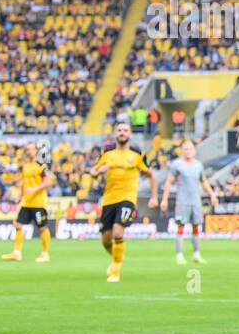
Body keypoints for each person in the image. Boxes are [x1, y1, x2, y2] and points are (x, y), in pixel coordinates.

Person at [91, 121, 159, 282]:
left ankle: (115, 271)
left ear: (130, 134)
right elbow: (93, 171)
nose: (122, 133)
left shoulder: (138, 154)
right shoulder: (107, 153)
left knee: (117, 231)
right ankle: (118, 257)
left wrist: (154, 196)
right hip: (108, 200)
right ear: (115, 133)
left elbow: (152, 175)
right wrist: (98, 171)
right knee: (106, 240)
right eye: (120, 130)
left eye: (125, 130)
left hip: (127, 199)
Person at [161, 139, 219, 265]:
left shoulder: (198, 165)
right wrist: (164, 199)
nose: (188, 151)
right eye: (185, 149)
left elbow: (204, 181)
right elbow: (169, 182)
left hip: (196, 200)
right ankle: (179, 255)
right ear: (182, 150)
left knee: (196, 226)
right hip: (182, 201)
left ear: (194, 151)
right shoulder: (177, 165)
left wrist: (212, 195)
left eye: (190, 149)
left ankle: (196, 254)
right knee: (180, 226)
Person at [1, 143, 54, 263]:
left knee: (42, 228)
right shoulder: (26, 166)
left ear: (36, 151)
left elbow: (49, 182)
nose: (29, 151)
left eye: (31, 149)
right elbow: (25, 184)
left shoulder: (42, 165)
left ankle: (45, 254)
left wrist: (34, 190)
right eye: (27, 149)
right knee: (18, 226)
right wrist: (20, 196)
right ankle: (16, 253)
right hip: (26, 202)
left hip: (38, 203)